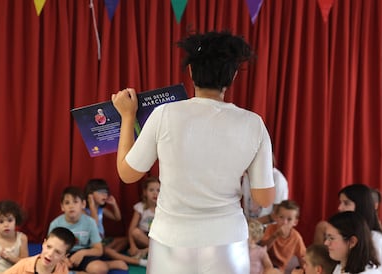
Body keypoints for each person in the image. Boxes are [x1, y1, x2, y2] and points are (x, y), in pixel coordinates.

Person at [111, 30, 276, 273]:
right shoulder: (253, 123)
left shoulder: (165, 114)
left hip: (170, 239)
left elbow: (127, 173)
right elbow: (264, 199)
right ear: (231, 77)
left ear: (190, 72)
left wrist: (127, 116)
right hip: (227, 239)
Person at [313, 184, 382, 273]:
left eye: (346, 203)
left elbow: (380, 270)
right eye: (340, 202)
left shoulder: (376, 238)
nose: (340, 208)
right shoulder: (341, 266)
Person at [84, 178, 147, 268]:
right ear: (90, 194)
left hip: (102, 241)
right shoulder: (85, 211)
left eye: (106, 192)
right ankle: (138, 262)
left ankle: (109, 255)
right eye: (100, 192)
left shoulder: (101, 210)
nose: (104, 195)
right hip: (93, 244)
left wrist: (114, 204)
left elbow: (117, 218)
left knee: (125, 240)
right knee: (109, 251)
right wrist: (91, 205)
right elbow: (94, 224)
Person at [48, 186, 110, 274]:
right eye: (67, 203)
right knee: (48, 267)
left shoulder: (90, 222)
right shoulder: (55, 224)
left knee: (100, 269)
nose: (71, 206)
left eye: (75, 202)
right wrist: (62, 258)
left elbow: (99, 250)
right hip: (61, 255)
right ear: (62, 207)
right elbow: (50, 249)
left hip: (84, 254)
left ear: (83, 204)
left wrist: (82, 253)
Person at [3, 227, 76, 274]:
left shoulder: (62, 269)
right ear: (44, 243)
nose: (50, 254)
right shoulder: (23, 265)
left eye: (57, 252)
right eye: (49, 247)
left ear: (65, 256)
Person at [242, 153, 289, 224]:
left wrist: (251, 224)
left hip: (267, 229)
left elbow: (278, 214)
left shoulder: (278, 180)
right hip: (249, 226)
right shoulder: (247, 175)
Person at [260, 200, 306, 271]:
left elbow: (303, 257)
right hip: (263, 264)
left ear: (295, 222)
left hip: (278, 269)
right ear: (276, 217)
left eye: (289, 219)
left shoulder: (296, 237)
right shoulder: (270, 229)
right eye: (281, 217)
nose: (284, 222)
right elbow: (262, 249)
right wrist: (274, 236)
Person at [0, 200, 29, 274]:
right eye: (1, 221)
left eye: (10, 220)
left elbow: (25, 263)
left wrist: (10, 258)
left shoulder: (22, 238)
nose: (6, 225)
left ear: (16, 220)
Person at [127, 177, 160, 258]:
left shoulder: (162, 209)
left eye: (158, 190)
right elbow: (131, 229)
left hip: (157, 238)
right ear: (145, 192)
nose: (155, 193)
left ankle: (148, 251)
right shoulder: (140, 207)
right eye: (151, 190)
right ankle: (153, 250)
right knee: (135, 232)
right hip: (143, 238)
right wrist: (132, 246)